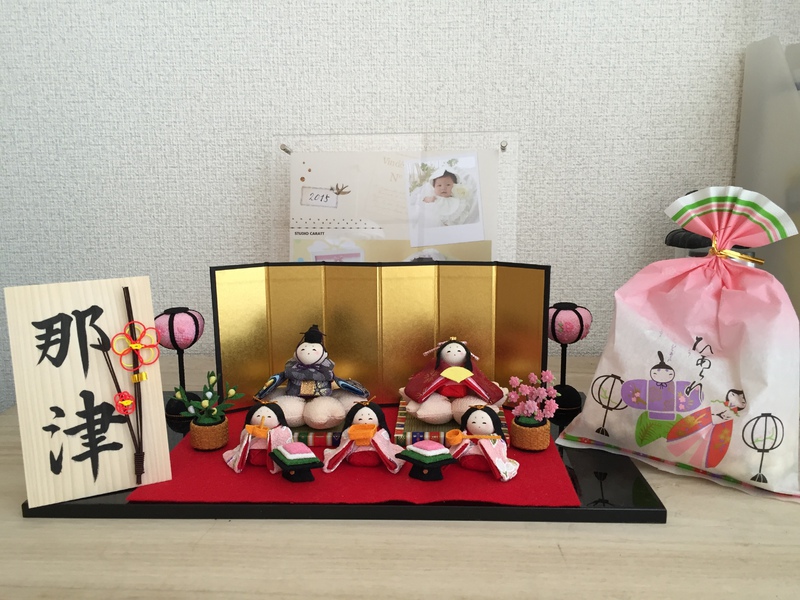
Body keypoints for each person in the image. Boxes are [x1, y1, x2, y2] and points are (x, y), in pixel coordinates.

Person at [322, 401, 405, 474]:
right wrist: (353, 436)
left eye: (370, 418)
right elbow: (345, 439)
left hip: (374, 451)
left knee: (378, 453)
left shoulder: (380, 432)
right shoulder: (349, 430)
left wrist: (374, 438)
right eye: (360, 419)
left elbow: (384, 441)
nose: (365, 422)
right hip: (355, 450)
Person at [448, 406, 519, 482]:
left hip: (487, 460)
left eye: (484, 423)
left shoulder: (495, 438)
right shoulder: (465, 436)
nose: (478, 425)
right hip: (468, 458)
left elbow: (500, 448)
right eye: (473, 422)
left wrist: (486, 443)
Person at [222, 402, 294, 474]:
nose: (263, 419)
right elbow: (244, 437)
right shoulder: (250, 429)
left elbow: (284, 440)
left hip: (268, 454)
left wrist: (270, 435)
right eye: (258, 416)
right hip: (253, 453)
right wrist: (252, 433)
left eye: (269, 417)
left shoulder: (282, 430)